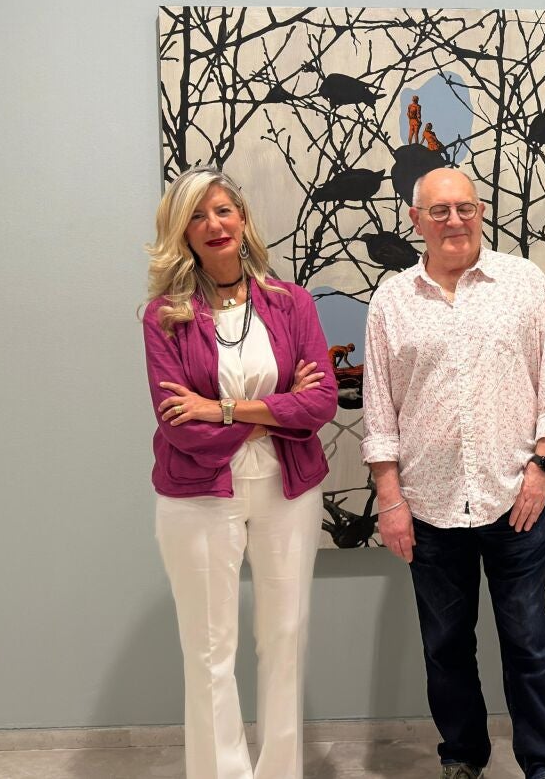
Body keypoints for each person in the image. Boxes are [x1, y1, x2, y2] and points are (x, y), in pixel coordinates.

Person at [361, 167, 545, 779]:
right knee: (445, 645)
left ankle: (542, 764)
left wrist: (543, 467)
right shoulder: (391, 301)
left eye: (465, 207)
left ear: (481, 211)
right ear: (416, 221)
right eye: (439, 211)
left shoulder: (524, 283)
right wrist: (390, 499)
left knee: (529, 642)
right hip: (428, 506)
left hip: (516, 498)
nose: (454, 220)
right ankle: (462, 755)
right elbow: (379, 411)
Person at [142, 165, 339, 779]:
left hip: (288, 490)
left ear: (243, 218)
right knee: (209, 651)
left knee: (286, 638)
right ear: (182, 232)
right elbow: (182, 428)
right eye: (197, 216)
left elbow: (321, 403)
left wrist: (223, 409)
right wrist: (277, 412)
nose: (213, 224)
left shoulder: (290, 302)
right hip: (198, 494)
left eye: (223, 210)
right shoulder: (164, 316)